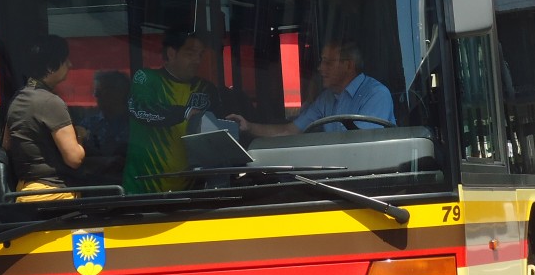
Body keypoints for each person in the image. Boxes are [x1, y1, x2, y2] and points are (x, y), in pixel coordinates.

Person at [228, 39, 395, 138]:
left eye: (328, 63)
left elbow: (362, 146)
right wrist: (248, 126)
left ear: (348, 65)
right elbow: (289, 131)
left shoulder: (376, 95)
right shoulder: (326, 99)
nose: (320, 69)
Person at [122, 30, 222, 194]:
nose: (197, 60)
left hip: (192, 192)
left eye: (200, 54)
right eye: (190, 54)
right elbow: (140, 109)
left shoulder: (207, 89)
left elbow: (217, 134)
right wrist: (185, 113)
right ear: (171, 53)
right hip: (143, 189)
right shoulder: (147, 78)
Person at [4, 34, 86, 202]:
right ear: (50, 67)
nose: (70, 64)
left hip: (25, 193)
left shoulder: (18, 98)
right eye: (65, 60)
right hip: (54, 196)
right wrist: (80, 137)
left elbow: (7, 144)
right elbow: (74, 159)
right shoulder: (51, 102)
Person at [77, 70, 130, 182]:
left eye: (101, 91)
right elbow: (75, 158)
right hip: (93, 187)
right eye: (95, 91)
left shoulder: (137, 125)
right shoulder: (88, 124)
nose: (95, 95)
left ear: (120, 92)